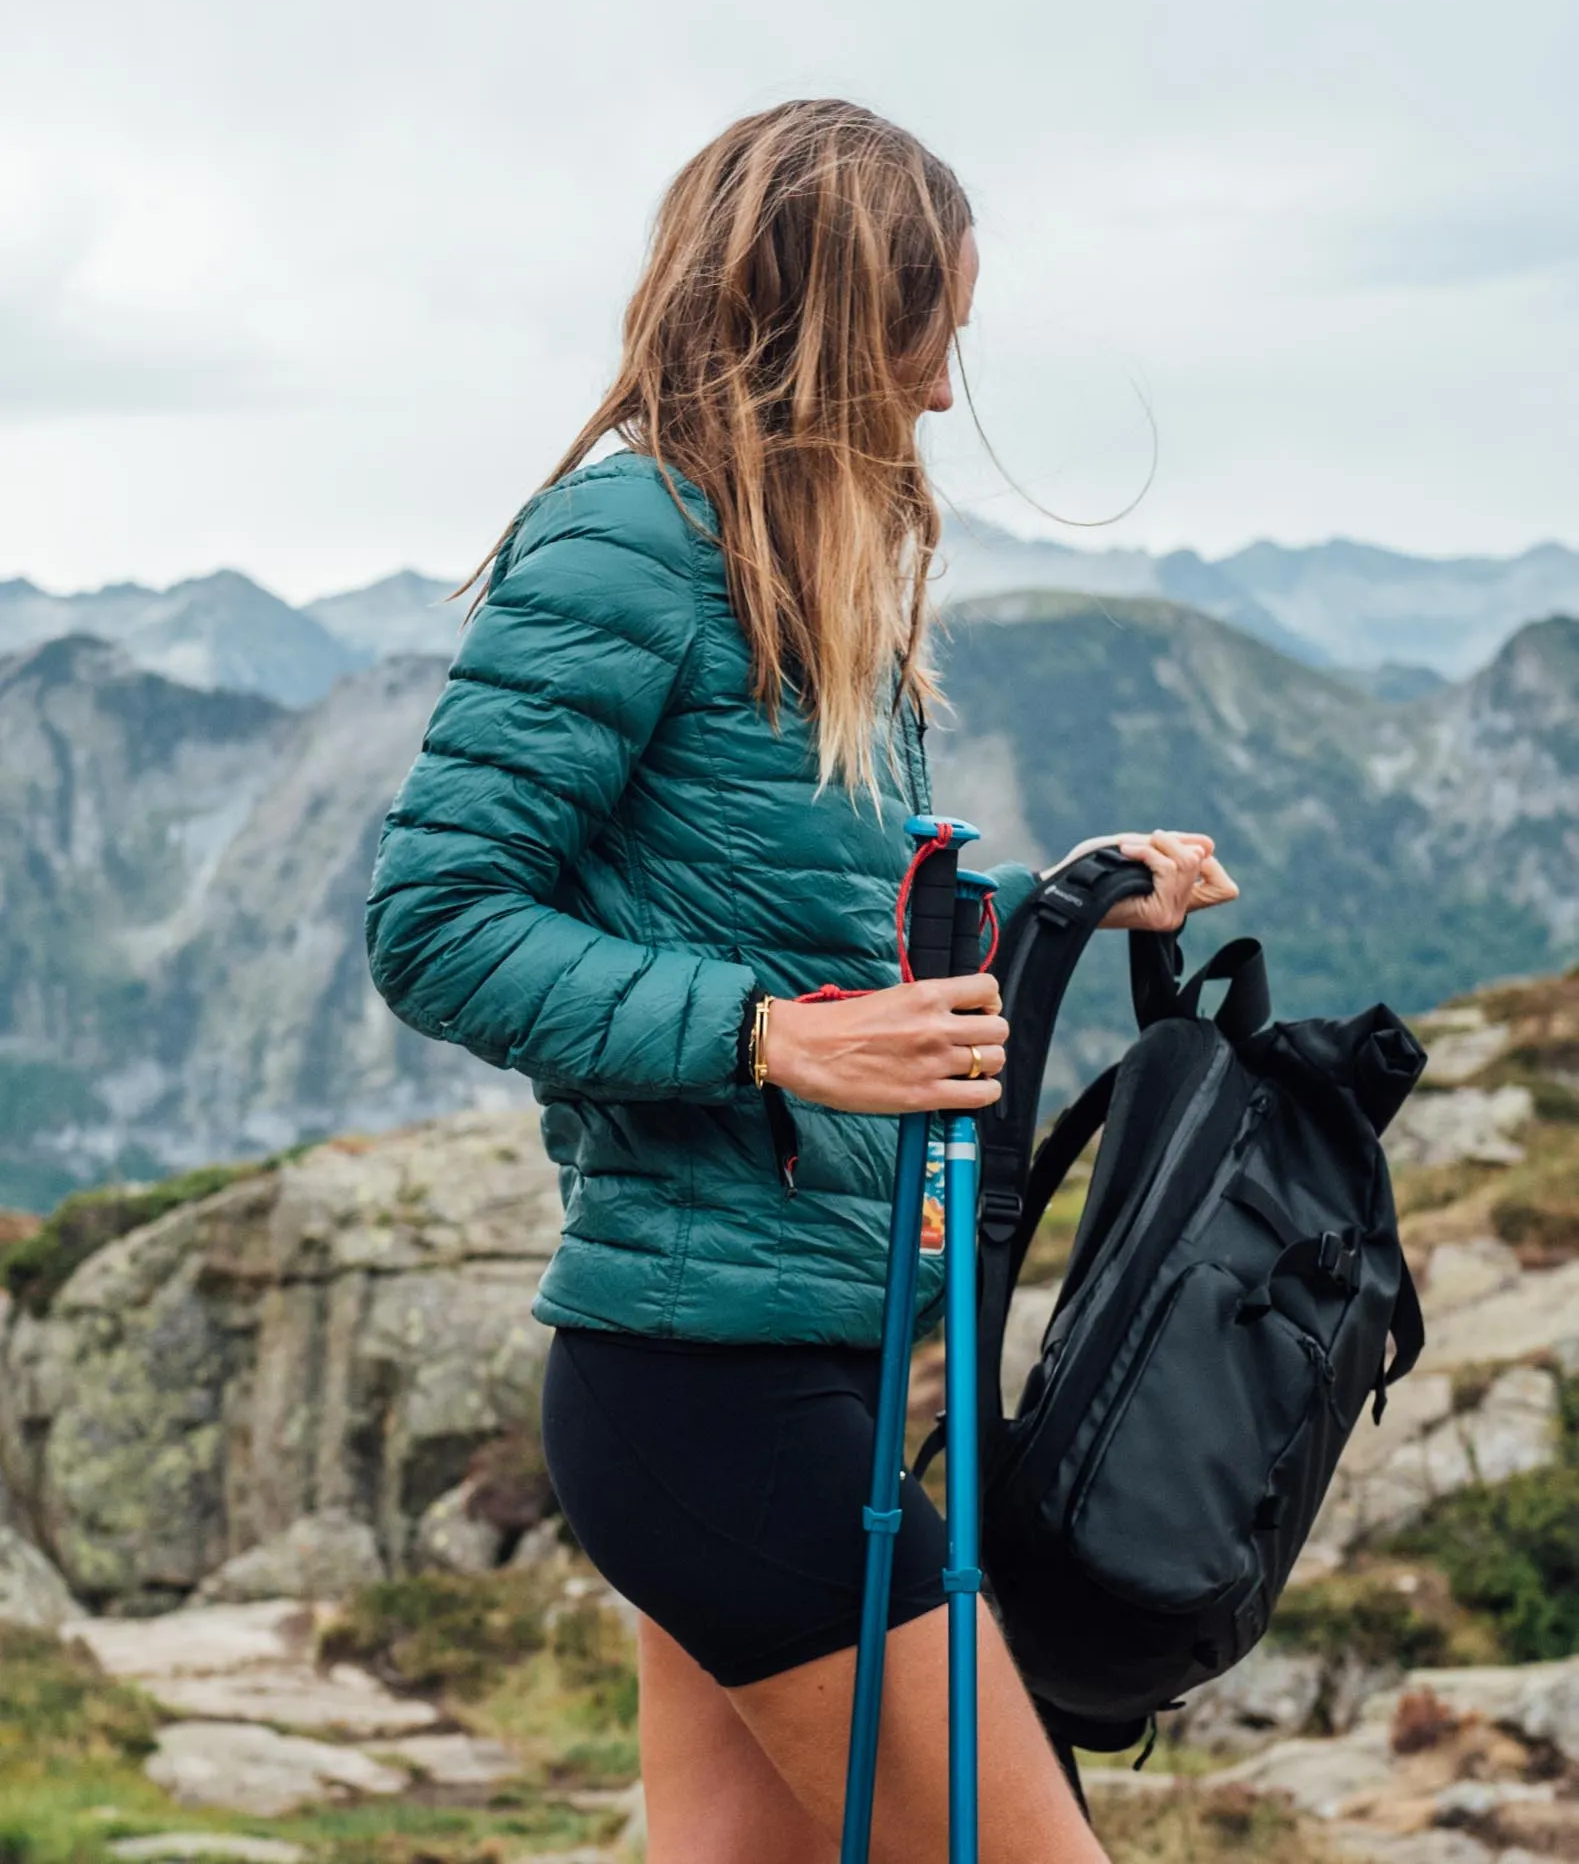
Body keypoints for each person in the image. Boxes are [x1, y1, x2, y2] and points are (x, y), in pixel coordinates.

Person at [366, 99, 1238, 1864]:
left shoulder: (799, 560)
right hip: (703, 1385)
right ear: (844, 319)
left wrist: (1067, 894)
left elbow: (821, 909)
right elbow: (436, 916)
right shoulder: (631, 545)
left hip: (800, 1358)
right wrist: (767, 1042)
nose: (940, 396)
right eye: (934, 344)